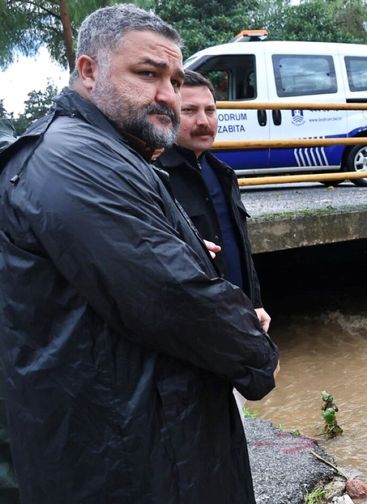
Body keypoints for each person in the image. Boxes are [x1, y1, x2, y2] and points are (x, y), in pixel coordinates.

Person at [0, 5, 279, 504]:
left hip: (149, 430)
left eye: (172, 79)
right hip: (123, 457)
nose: (166, 95)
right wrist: (255, 354)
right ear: (88, 71)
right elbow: (170, 294)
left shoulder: (110, 152)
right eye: (148, 74)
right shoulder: (73, 160)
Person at [155, 69, 271, 414]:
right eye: (189, 111)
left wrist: (254, 304)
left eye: (211, 110)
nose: (203, 121)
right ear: (169, 112)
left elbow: (239, 248)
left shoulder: (221, 172)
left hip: (234, 320)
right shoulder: (156, 177)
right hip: (193, 333)